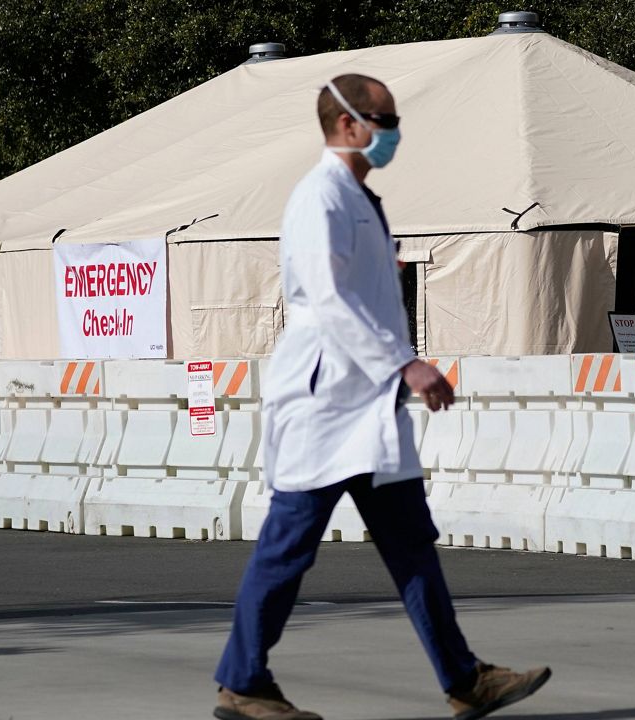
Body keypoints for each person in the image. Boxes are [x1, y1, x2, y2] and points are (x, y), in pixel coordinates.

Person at [213, 74, 550, 720]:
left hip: (368, 407)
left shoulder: (361, 199)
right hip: (324, 403)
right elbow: (327, 300)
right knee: (288, 547)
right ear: (347, 124)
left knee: (411, 543)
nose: (394, 131)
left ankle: (465, 679)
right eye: (385, 119)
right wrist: (408, 364)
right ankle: (243, 681)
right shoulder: (320, 198)